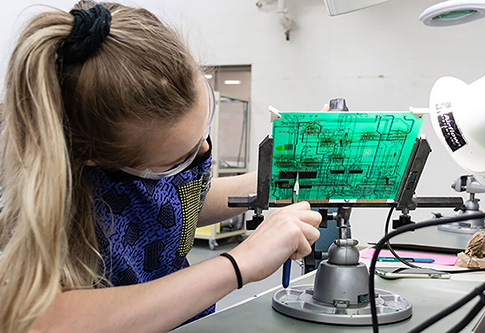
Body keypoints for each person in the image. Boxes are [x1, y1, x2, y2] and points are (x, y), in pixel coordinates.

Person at [0, 1, 322, 332]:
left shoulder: (145, 158)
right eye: (178, 159)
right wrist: (240, 263)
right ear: (92, 157)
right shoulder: (23, 194)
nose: (205, 149)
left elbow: (178, 202)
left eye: (204, 127)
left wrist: (281, 174)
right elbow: (41, 321)